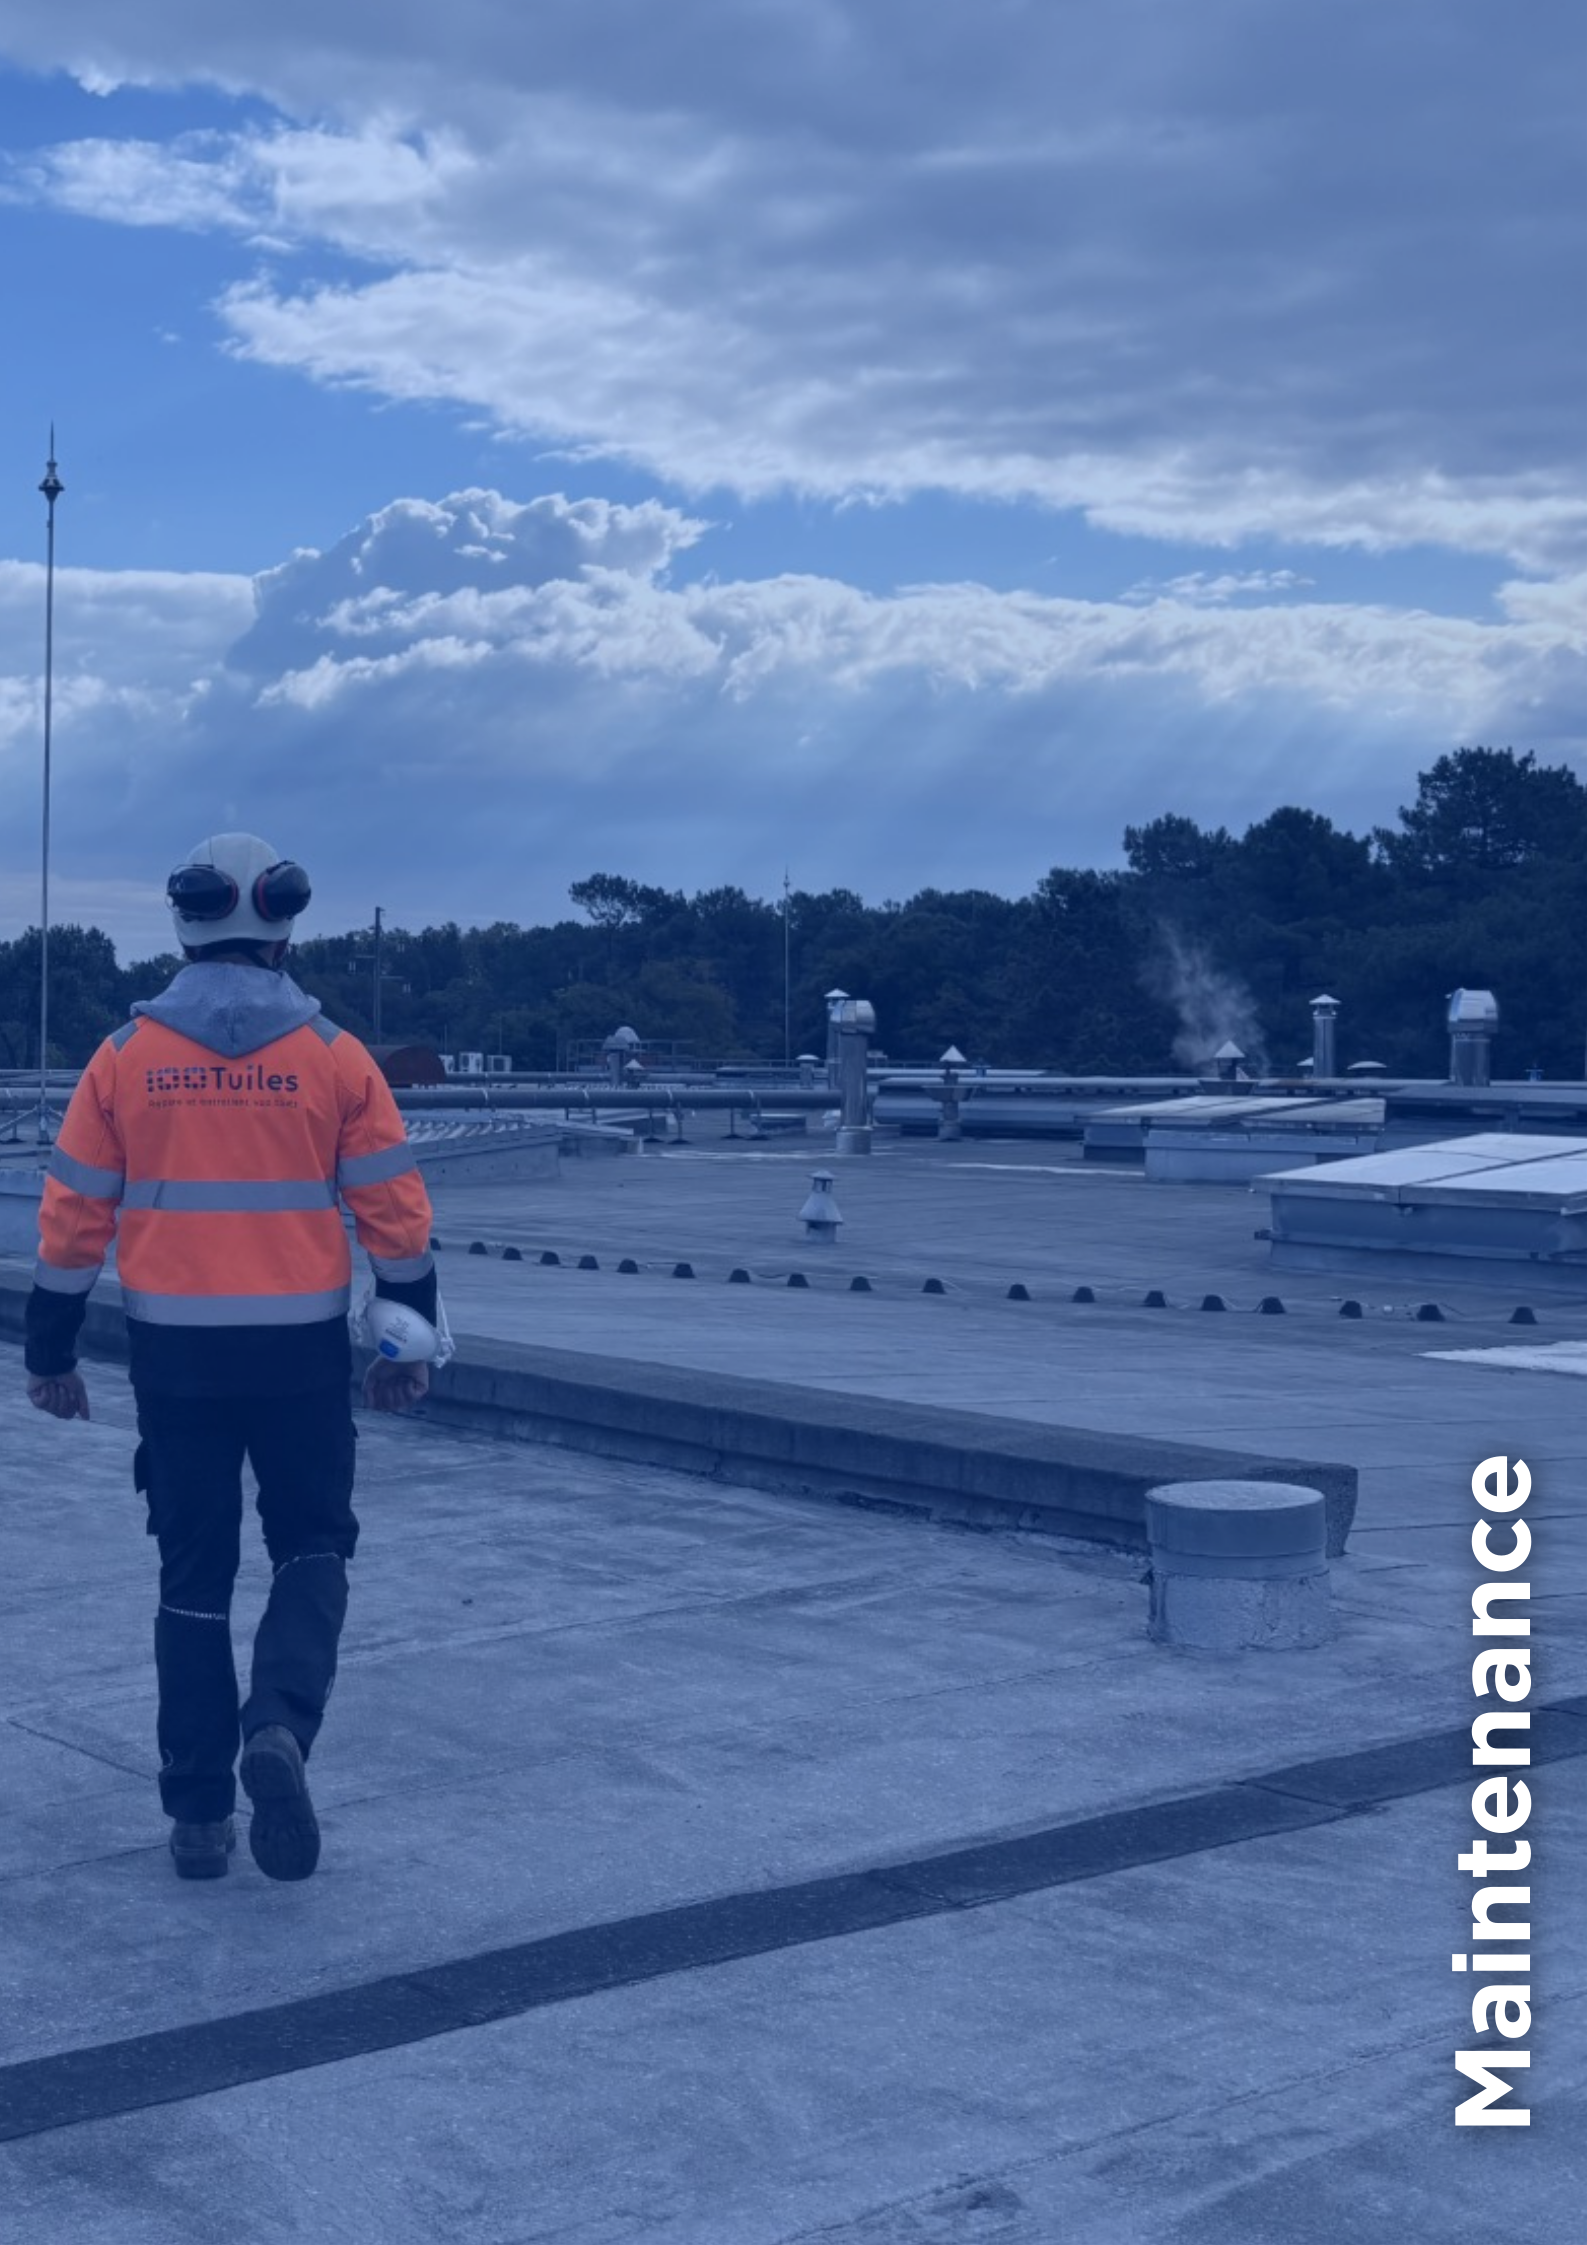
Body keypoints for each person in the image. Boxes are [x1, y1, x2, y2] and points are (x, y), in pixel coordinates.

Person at [24, 834, 438, 1883]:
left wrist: (51, 1351)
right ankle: (280, 1727)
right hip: (300, 1357)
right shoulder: (337, 1056)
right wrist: (406, 1342)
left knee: (193, 1576)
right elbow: (396, 1217)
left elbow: (72, 1221)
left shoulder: (123, 1059)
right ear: (285, 928)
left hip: (177, 1361)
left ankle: (200, 1817)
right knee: (311, 1546)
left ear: (185, 924)